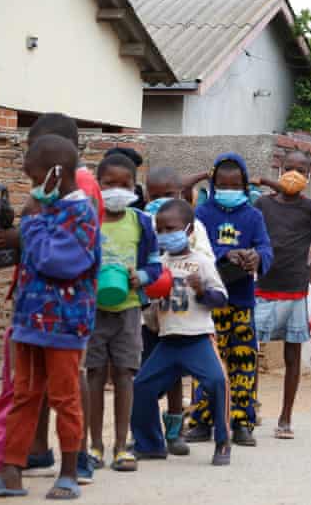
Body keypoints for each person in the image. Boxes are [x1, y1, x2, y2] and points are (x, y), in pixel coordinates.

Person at [0, 134, 100, 500]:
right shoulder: (47, 213)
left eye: (34, 178)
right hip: (30, 325)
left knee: (64, 398)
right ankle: (11, 473)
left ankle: (70, 473)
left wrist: (25, 230)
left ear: (55, 175)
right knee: (24, 397)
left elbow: (55, 261)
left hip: (63, 326)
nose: (32, 187)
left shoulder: (81, 215)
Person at [255, 150, 311, 439]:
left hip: (295, 289)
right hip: (261, 286)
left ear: (309, 176)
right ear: (280, 169)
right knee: (249, 351)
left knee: (292, 353)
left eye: (300, 169)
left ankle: (285, 417)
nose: (294, 173)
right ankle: (248, 408)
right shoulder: (262, 204)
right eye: (289, 168)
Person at [131, 200, 232, 466]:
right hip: (167, 340)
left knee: (217, 383)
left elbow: (221, 299)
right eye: (160, 230)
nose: (165, 234)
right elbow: (149, 305)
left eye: (171, 228)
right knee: (141, 387)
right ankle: (150, 444)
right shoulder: (159, 264)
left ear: (189, 231)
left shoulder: (202, 262)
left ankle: (223, 441)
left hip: (197, 338)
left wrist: (202, 292)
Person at [186, 153, 272, 447]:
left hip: (242, 301)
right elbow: (195, 250)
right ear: (213, 184)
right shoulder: (202, 214)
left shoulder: (254, 216)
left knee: (244, 362)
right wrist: (226, 255)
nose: (229, 190)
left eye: (235, 186)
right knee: (207, 363)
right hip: (210, 303)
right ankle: (201, 421)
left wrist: (256, 256)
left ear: (245, 186)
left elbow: (266, 249)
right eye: (223, 185)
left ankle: (242, 422)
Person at [87, 153, 161, 473]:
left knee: (125, 376)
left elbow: (156, 265)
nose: (117, 189)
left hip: (129, 311)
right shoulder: (88, 218)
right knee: (93, 375)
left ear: (135, 186)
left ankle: (120, 446)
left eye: (125, 184)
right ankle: (94, 446)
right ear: (97, 184)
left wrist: (140, 277)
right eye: (109, 184)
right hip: (92, 312)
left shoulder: (142, 222)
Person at [141, 167, 215, 457]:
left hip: (182, 315)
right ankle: (145, 434)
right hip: (150, 317)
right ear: (146, 195)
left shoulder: (194, 228)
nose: (161, 201)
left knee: (174, 377)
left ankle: (174, 431)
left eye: (168, 195)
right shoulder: (142, 224)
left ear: (181, 195)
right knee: (144, 376)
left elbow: (208, 260)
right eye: (155, 196)